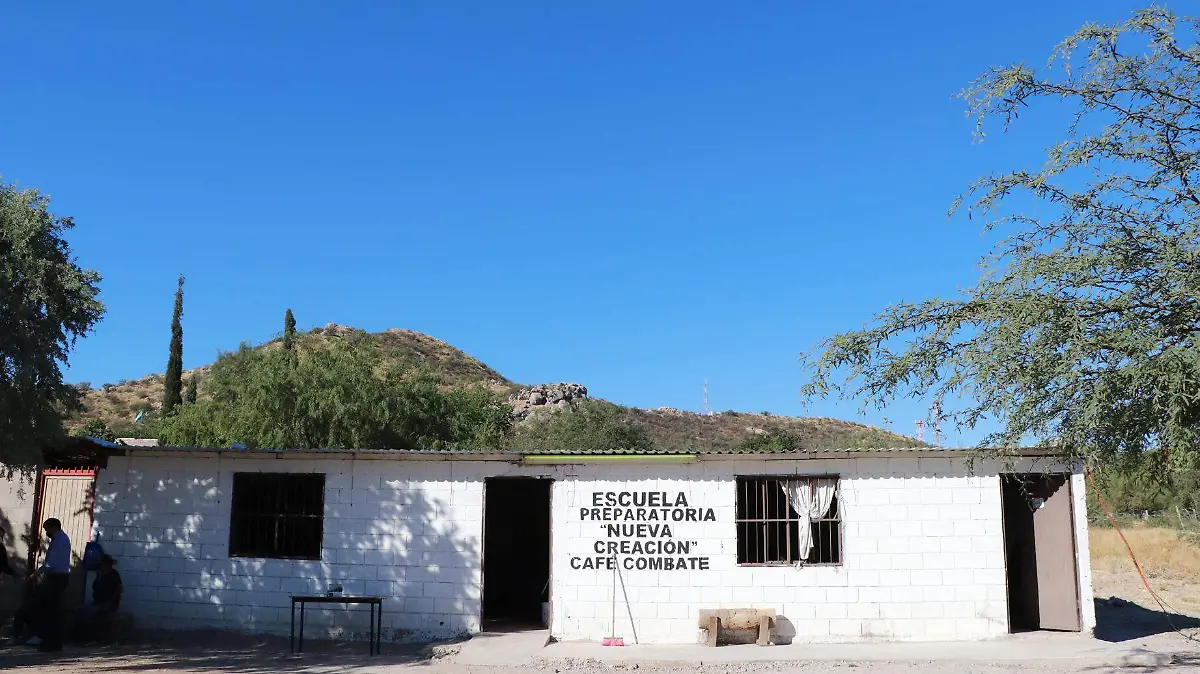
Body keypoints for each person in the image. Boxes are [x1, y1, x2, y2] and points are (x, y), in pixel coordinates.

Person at [25, 518, 71, 652]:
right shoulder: (62, 539)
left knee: (49, 610)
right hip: (59, 577)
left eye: (47, 529)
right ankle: (52, 641)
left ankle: (49, 641)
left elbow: (51, 564)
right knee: (53, 610)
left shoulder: (59, 541)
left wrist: (36, 574)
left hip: (56, 578)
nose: (47, 532)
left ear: (53, 527)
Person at [73, 555, 122, 644]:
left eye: (102, 564)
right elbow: (95, 588)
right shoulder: (100, 575)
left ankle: (92, 638)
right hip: (98, 601)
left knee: (91, 613)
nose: (101, 566)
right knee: (79, 611)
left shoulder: (114, 574)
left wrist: (111, 601)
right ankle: (79, 637)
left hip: (109, 603)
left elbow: (119, 589)